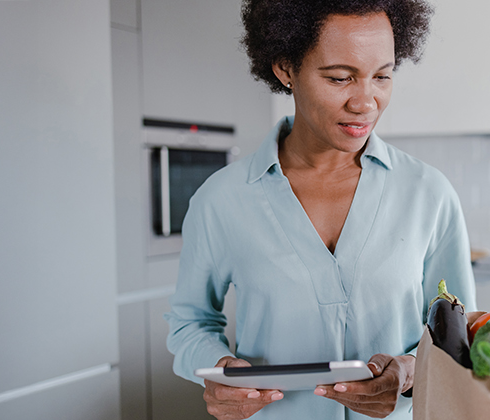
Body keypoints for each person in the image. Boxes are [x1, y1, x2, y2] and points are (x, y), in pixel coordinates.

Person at [164, 1, 474, 418]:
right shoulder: (221, 199)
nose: (366, 102)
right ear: (285, 68)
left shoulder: (428, 193)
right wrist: (220, 370)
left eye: (382, 76)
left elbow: (458, 334)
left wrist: (408, 372)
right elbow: (190, 323)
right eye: (341, 78)